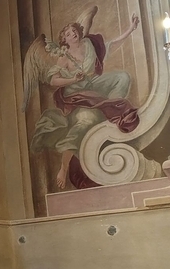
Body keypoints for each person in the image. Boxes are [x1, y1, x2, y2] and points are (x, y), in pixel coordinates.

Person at [30, 14, 140, 189]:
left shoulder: (89, 44)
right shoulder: (64, 56)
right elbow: (53, 80)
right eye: (68, 33)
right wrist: (73, 79)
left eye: (74, 30)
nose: (72, 34)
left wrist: (130, 29)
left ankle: (113, 112)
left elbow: (111, 45)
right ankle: (64, 167)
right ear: (64, 40)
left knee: (122, 77)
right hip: (77, 95)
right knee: (86, 121)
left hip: (93, 84)